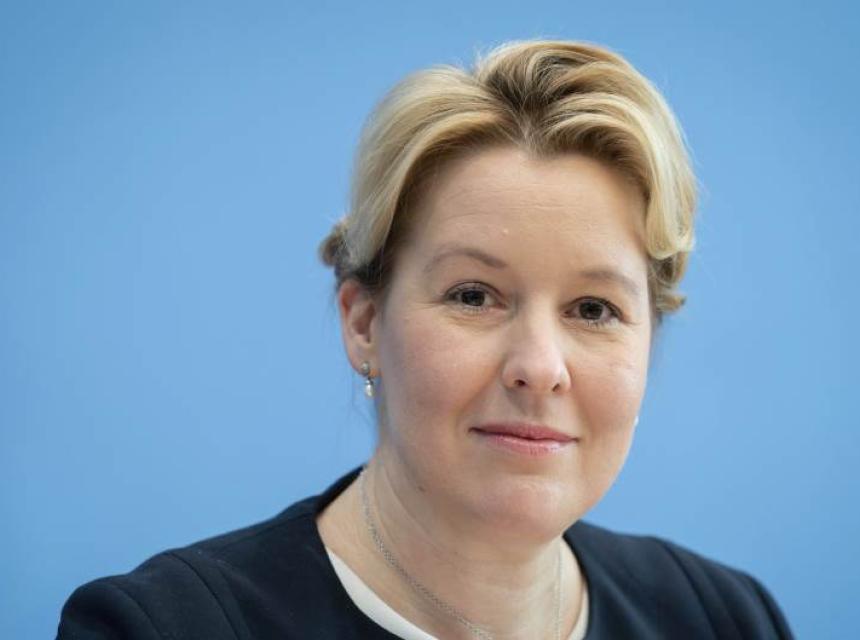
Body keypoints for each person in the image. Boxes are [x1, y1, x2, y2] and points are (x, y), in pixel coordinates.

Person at [56, 39, 794, 639]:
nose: (539, 367)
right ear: (363, 323)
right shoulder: (160, 627)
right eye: (474, 296)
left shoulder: (723, 619)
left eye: (593, 309)